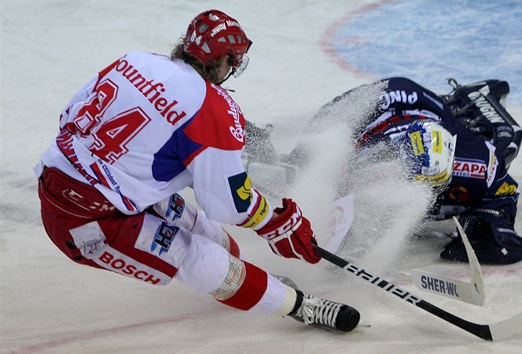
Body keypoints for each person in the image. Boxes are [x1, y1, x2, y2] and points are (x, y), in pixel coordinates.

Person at [34, 9, 360, 333]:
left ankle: (253, 283)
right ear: (225, 62)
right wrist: (276, 222)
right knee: (200, 257)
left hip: (71, 179)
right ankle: (301, 307)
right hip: (83, 220)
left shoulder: (135, 60)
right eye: (233, 62)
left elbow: (70, 117)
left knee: (206, 232)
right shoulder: (212, 107)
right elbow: (230, 204)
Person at [246, 77, 522, 265]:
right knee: (300, 167)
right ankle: (247, 137)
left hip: (429, 111)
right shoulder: (370, 165)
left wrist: (488, 220)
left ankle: (459, 106)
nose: (424, 193)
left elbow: (504, 189)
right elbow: (333, 212)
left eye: (433, 185)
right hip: (386, 101)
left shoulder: (477, 164)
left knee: (507, 141)